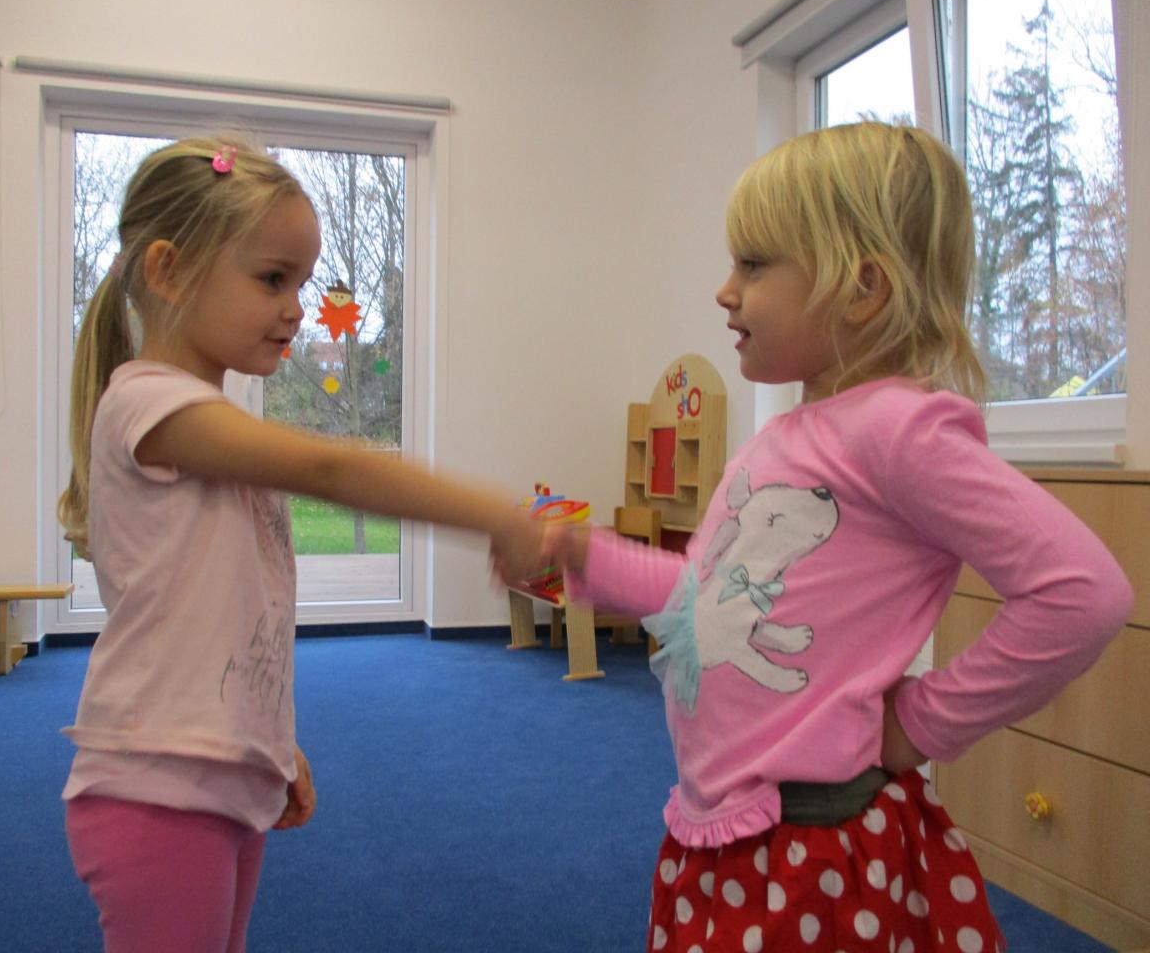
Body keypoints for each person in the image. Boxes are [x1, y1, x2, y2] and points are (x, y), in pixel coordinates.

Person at [552, 122, 1135, 952]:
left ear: (861, 289)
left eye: (753, 266)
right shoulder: (783, 439)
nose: (725, 291)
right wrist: (585, 557)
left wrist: (921, 723)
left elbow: (1084, 593)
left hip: (812, 849)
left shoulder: (898, 430)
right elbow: (699, 599)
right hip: (728, 824)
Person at [56, 136, 545, 953]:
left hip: (213, 773)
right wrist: (497, 514)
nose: (296, 309)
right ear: (169, 271)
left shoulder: (202, 419)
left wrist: (269, 743)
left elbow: (227, 614)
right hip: (156, 787)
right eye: (271, 279)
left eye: (303, 283)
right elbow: (330, 467)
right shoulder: (147, 405)